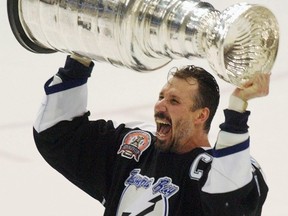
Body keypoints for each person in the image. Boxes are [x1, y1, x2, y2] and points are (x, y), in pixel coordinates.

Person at [33, 54, 269, 216]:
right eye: (161, 97)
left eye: (174, 101)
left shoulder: (213, 170)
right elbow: (56, 133)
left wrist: (237, 110)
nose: (160, 106)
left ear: (201, 116)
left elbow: (230, 202)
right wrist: (79, 61)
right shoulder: (135, 148)